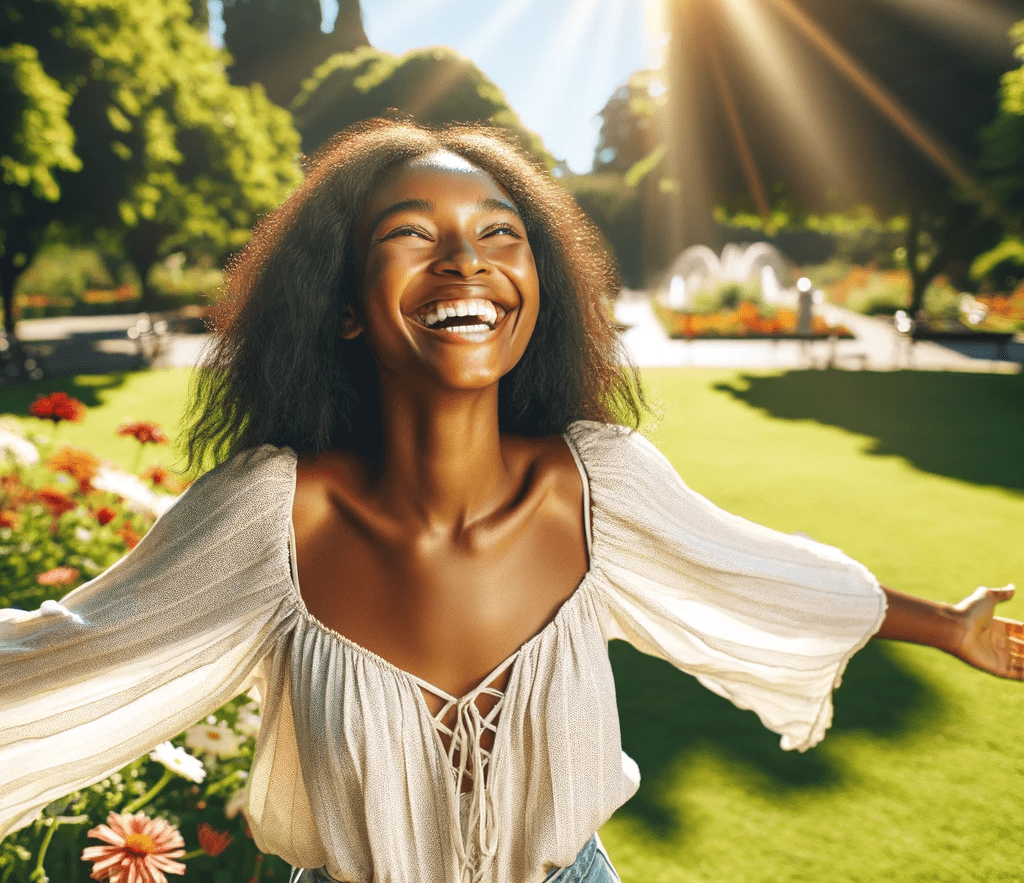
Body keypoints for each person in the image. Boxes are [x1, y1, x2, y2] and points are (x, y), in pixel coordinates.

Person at [1, 118, 1022, 883]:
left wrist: (948, 628)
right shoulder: (273, 514)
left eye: (500, 233)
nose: (467, 261)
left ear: (538, 284)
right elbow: (66, 656)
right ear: (344, 305)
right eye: (413, 234)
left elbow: (767, 579)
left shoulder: (597, 486)